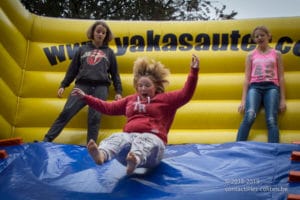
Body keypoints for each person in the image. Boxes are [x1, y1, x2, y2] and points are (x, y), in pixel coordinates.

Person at [71, 54, 200, 175]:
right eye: (140, 85)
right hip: (128, 149)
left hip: (153, 149)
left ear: (156, 87)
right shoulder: (130, 100)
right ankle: (102, 155)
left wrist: (193, 71)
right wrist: (86, 98)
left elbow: (185, 94)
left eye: (147, 85)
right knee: (119, 137)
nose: (143, 89)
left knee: (144, 139)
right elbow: (108, 107)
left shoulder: (166, 99)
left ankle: (135, 158)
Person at [43, 20, 123, 143]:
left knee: (94, 118)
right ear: (93, 32)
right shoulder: (83, 49)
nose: (100, 34)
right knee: (67, 112)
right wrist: (63, 85)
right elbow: (72, 69)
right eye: (98, 31)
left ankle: (90, 147)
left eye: (103, 32)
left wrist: (118, 91)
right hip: (82, 85)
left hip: (100, 88)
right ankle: (47, 139)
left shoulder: (109, 53)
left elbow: (115, 74)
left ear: (106, 35)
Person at [236, 25, 286, 143]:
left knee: (271, 119)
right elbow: (247, 78)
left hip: (271, 87)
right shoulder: (251, 55)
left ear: (269, 36)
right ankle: (237, 147)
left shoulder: (276, 54)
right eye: (256, 36)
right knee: (249, 116)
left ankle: (273, 151)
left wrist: (282, 99)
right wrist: (243, 100)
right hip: (255, 87)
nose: (259, 38)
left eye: (262, 35)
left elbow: (281, 77)